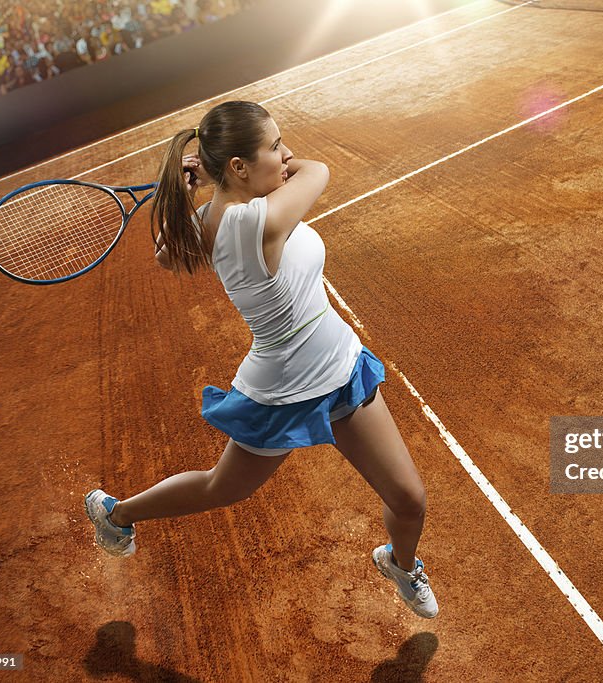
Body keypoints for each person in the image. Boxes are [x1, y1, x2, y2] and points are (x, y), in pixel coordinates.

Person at [84, 100, 437, 619]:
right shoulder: (255, 221)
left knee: (409, 499)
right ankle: (117, 514)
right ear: (239, 167)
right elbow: (319, 170)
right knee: (220, 487)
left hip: (340, 367)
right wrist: (209, 183)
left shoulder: (217, 218)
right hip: (285, 392)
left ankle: (400, 564)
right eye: (274, 146)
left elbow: (167, 252)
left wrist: (192, 192)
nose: (286, 153)